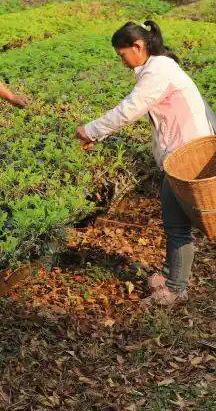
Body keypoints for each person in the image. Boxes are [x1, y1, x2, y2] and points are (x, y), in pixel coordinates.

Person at [76, 21, 215, 307]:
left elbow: (130, 109)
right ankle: (170, 277)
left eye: (122, 54)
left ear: (138, 47)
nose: (122, 61)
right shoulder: (158, 67)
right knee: (173, 222)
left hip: (188, 156)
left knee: (178, 226)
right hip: (179, 155)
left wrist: (91, 130)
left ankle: (176, 289)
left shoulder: (159, 71)